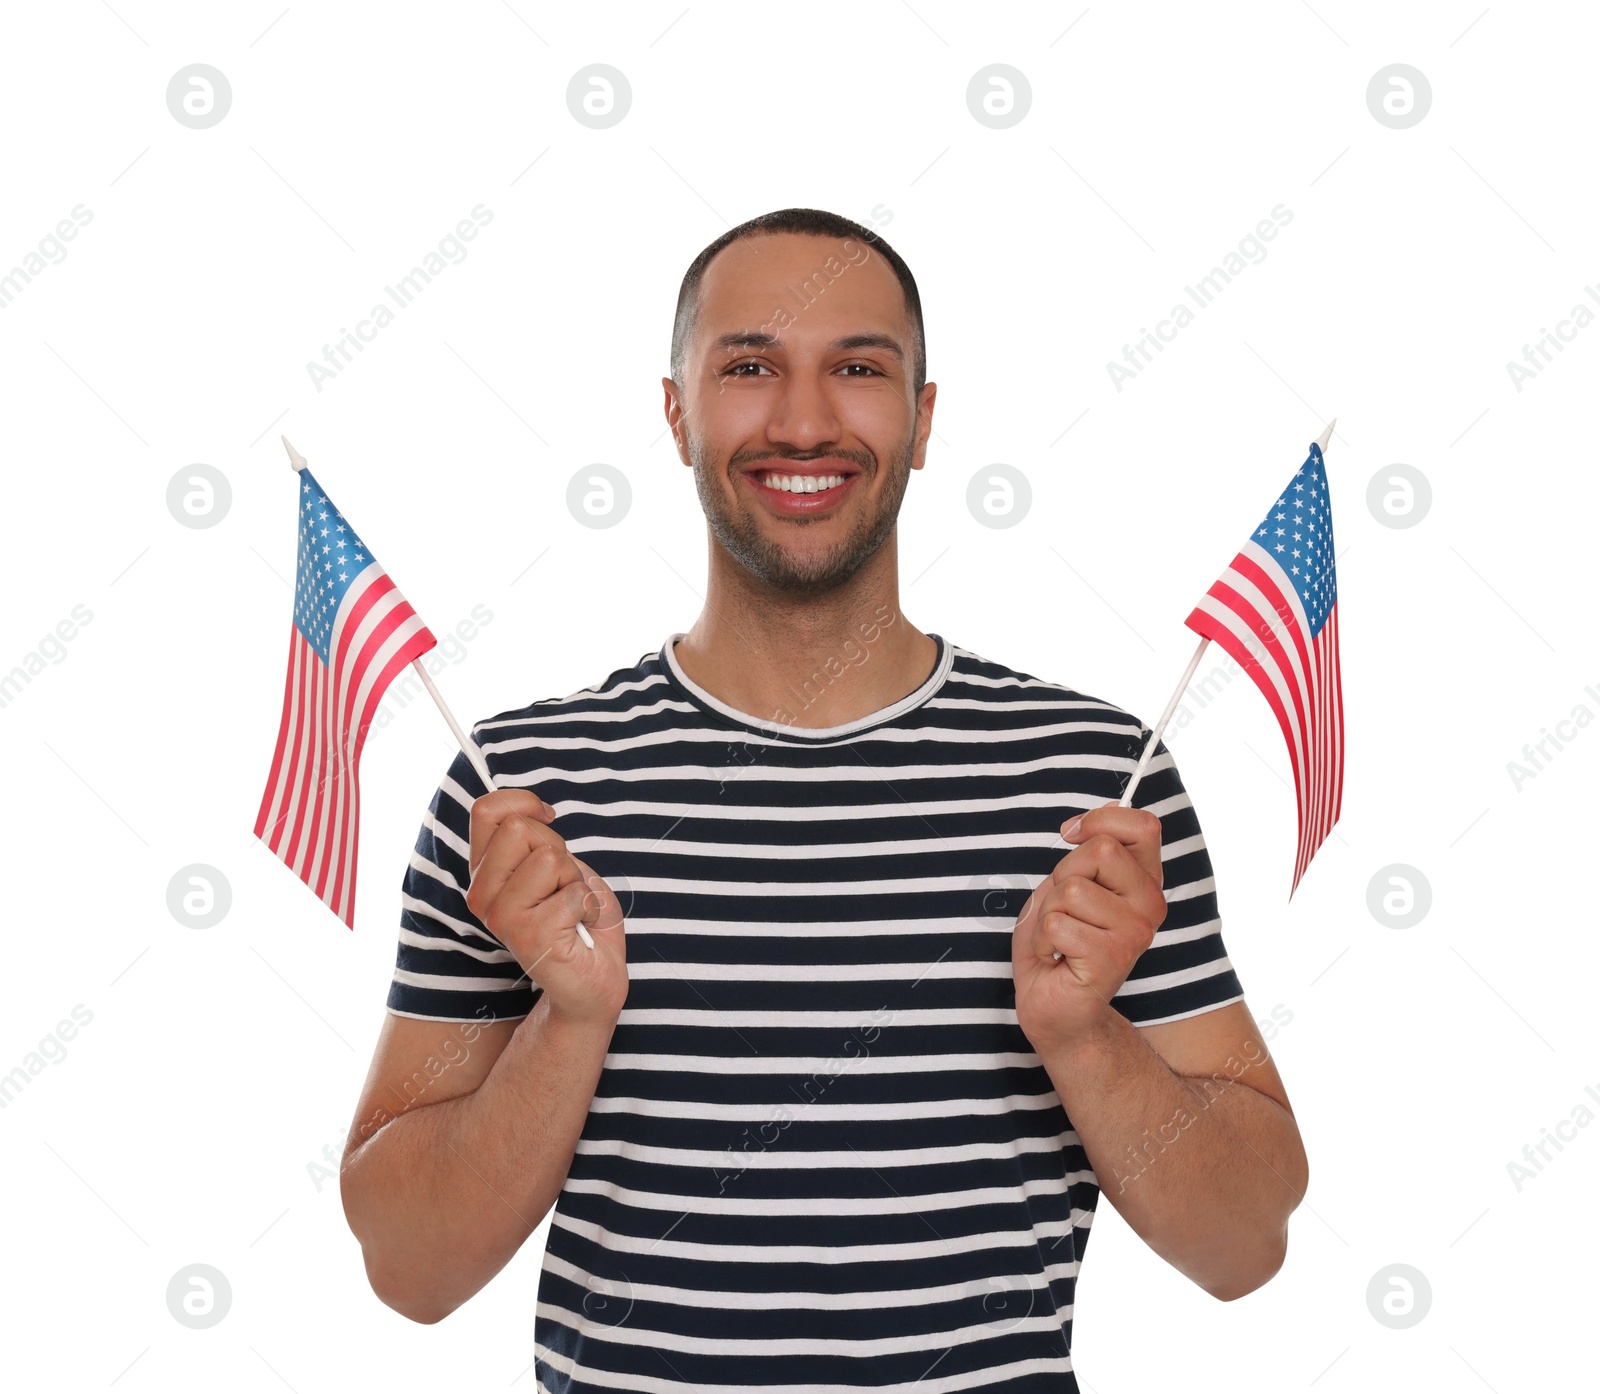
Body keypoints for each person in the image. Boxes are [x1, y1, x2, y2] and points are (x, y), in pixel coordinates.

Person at [339, 207, 1309, 1391]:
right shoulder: (518, 797)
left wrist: (1082, 1033)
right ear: (677, 411)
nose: (803, 420)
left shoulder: (1095, 782)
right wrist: (569, 1019)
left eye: (858, 368)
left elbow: (1242, 1244)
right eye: (749, 367)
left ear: (923, 417)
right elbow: (409, 1266)